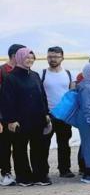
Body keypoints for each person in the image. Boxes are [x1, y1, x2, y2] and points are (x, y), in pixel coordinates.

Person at [0, 48, 52, 186]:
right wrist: (10, 120)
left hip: (38, 118)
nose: (29, 60)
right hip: (19, 121)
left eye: (32, 58)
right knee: (20, 149)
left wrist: (46, 113)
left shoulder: (35, 75)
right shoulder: (11, 78)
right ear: (18, 58)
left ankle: (40, 176)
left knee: (38, 148)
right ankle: (24, 177)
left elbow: (42, 96)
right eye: (26, 58)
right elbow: (7, 100)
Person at [41, 46, 77, 178]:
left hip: (64, 115)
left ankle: (64, 169)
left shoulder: (69, 74)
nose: (53, 59)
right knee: (44, 144)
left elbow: (72, 95)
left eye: (56, 56)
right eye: (50, 56)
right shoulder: (42, 73)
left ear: (62, 57)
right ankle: (43, 171)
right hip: (48, 115)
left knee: (64, 144)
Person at [0, 44, 26, 186]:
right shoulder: (2, 71)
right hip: (4, 117)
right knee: (4, 146)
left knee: (20, 146)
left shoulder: (24, 71)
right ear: (15, 55)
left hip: (20, 117)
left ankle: (21, 174)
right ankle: (5, 173)